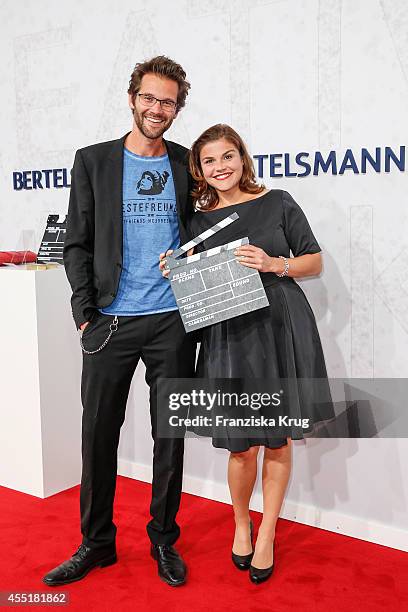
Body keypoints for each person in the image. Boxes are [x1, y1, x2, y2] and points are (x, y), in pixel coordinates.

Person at [43, 56, 196, 588]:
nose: (158, 109)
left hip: (172, 321)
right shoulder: (94, 161)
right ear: (132, 98)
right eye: (150, 98)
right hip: (109, 321)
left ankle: (163, 540)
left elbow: (204, 234)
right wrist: (85, 313)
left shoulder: (185, 163)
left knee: (170, 438)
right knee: (98, 435)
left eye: (168, 102)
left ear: (178, 108)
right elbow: (76, 242)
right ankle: (97, 542)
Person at [160, 124, 334, 585]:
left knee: (277, 440)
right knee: (241, 448)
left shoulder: (277, 201)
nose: (221, 167)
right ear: (199, 168)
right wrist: (173, 270)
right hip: (231, 336)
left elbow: (313, 261)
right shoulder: (196, 221)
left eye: (228, 156)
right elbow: (194, 285)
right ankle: (241, 523)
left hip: (280, 325)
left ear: (243, 158)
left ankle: (269, 531)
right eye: (210, 160)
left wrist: (275, 263)